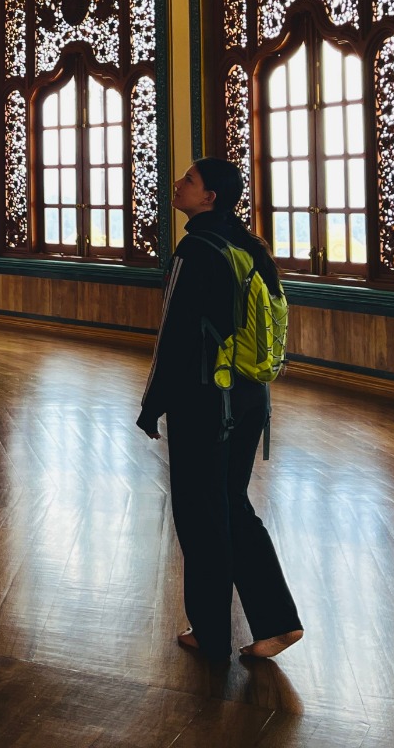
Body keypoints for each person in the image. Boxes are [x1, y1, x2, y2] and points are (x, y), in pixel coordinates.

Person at [137, 158, 304, 663]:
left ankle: (210, 634)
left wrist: (152, 404)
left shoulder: (196, 249)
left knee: (199, 512)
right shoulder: (249, 246)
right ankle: (277, 622)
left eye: (188, 180)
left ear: (209, 197)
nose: (178, 184)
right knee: (231, 503)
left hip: (205, 400)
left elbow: (174, 334)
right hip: (250, 397)